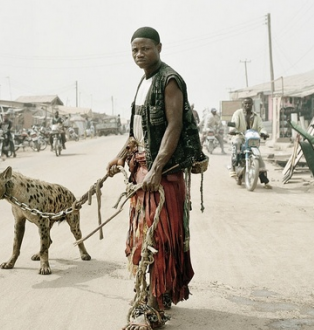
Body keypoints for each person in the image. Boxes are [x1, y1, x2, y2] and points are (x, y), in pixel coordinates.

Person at [106, 27, 203, 330]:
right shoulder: (144, 80)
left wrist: (158, 167)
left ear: (159, 47)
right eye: (134, 50)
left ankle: (153, 307)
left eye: (145, 49)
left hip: (161, 175)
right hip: (142, 171)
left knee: (157, 239)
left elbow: (173, 126)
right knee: (143, 238)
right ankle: (156, 296)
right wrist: (120, 155)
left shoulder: (168, 80)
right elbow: (137, 131)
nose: (139, 54)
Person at [229, 97, 271, 189]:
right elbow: (234, 123)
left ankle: (264, 178)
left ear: (252, 105)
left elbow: (261, 126)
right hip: (240, 136)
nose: (247, 105)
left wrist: (264, 132)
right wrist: (232, 130)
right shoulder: (238, 113)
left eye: (249, 103)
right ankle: (233, 166)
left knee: (258, 155)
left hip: (251, 137)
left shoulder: (256, 116)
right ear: (243, 105)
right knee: (236, 143)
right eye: (245, 103)